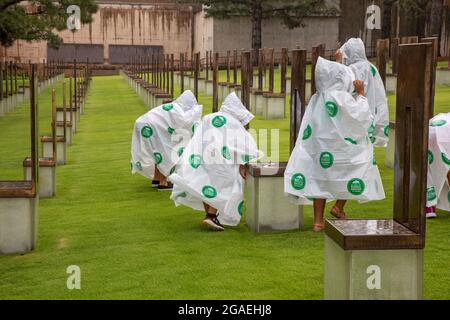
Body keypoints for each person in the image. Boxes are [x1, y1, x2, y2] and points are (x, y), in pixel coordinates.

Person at [284, 57, 385, 232]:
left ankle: (318, 222)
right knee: (349, 172)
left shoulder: (318, 97)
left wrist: (337, 62)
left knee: (320, 180)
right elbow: (360, 116)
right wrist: (360, 94)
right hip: (341, 150)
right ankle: (338, 206)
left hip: (319, 148)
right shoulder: (341, 97)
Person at [169, 92, 262, 231]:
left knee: (205, 183)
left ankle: (209, 215)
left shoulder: (209, 117)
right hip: (221, 160)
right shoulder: (233, 122)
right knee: (225, 184)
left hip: (201, 156)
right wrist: (243, 165)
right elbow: (244, 146)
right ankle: (211, 216)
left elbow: (196, 136)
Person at [131, 90, 202, 190]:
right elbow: (185, 122)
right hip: (151, 127)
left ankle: (156, 178)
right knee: (165, 152)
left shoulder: (173, 107)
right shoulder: (179, 110)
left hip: (142, 124)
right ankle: (163, 182)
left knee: (158, 152)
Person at [336, 38, 390, 148]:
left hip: (358, 112)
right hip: (371, 111)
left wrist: (338, 64)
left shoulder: (353, 69)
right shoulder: (371, 67)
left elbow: (339, 85)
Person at [426, 113, 450, 218]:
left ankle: (429, 205)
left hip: (434, 131)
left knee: (432, 167)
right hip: (438, 133)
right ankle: (429, 204)